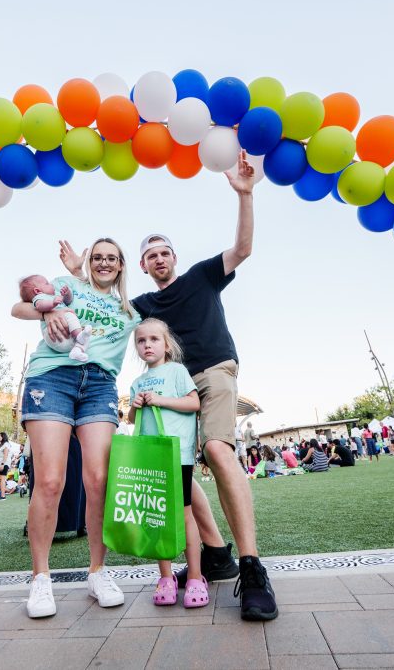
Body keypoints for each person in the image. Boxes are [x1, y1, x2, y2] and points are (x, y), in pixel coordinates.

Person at [112, 151, 277, 621]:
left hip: (214, 372)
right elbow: (107, 308)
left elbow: (242, 248)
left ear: (174, 258)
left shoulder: (203, 276)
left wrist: (245, 195)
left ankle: (251, 568)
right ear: (143, 266)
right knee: (177, 465)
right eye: (150, 256)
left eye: (164, 252)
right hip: (170, 384)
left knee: (219, 451)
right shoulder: (143, 304)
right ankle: (215, 554)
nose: (159, 259)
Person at [13, 237, 140, 619]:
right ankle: (40, 578)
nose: (104, 263)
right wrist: (44, 314)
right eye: (98, 257)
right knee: (50, 481)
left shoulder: (131, 310)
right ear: (90, 262)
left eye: (111, 259)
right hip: (51, 379)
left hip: (99, 385)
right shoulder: (68, 285)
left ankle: (98, 572)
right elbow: (18, 306)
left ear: (121, 266)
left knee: (99, 479)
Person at [127, 318, 208, 609]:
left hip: (177, 453)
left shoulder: (176, 371)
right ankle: (165, 576)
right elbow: (132, 421)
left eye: (153, 339)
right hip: (149, 455)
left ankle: (196, 577)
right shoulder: (137, 382)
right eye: (141, 340)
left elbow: (194, 403)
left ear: (166, 344)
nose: (147, 345)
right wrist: (134, 408)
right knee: (155, 514)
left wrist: (160, 400)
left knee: (184, 513)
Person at [19, 274, 92, 362]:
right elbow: (39, 306)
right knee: (69, 313)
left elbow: (67, 301)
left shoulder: (55, 296)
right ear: (38, 291)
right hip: (54, 333)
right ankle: (79, 335)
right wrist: (52, 304)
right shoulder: (40, 297)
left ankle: (77, 351)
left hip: (65, 338)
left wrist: (67, 294)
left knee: (86, 338)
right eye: (47, 284)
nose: (51, 285)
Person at [0, 432, 11, 501]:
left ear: (3, 437)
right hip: (0, 465)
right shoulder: (1, 445)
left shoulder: (6, 444)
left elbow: (5, 455)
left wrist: (2, 464)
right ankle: (2, 495)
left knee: (2, 479)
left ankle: (3, 496)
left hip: (4, 464)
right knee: (0, 479)